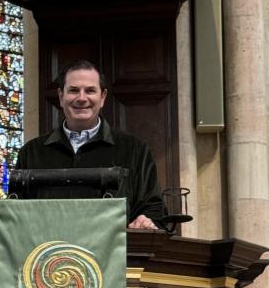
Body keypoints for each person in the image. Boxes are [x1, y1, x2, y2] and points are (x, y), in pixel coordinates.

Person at [14, 60, 164, 229]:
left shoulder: (135, 150)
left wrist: (146, 219)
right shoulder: (32, 152)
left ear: (103, 97)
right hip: (47, 252)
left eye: (90, 90)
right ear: (61, 96)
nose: (82, 98)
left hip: (116, 253)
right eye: (73, 90)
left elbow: (154, 208)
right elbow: (15, 210)